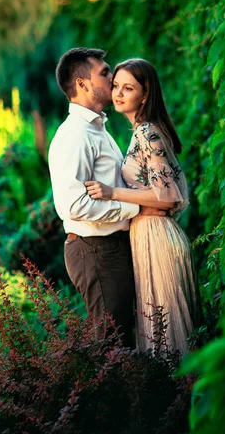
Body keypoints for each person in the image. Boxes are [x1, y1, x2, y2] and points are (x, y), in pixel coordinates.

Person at [48, 48, 174, 347]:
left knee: (124, 341)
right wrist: (137, 207)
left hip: (112, 248)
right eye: (104, 73)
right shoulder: (75, 135)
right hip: (96, 250)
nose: (112, 77)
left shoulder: (98, 129)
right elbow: (73, 205)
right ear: (82, 84)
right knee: (112, 346)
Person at [85, 58, 201, 356]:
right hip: (147, 235)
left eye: (128, 88)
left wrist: (112, 193)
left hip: (158, 238)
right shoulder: (141, 132)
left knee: (169, 339)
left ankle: (186, 398)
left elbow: (168, 196)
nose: (118, 93)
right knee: (159, 334)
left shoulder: (147, 132)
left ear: (145, 94)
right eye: (115, 86)